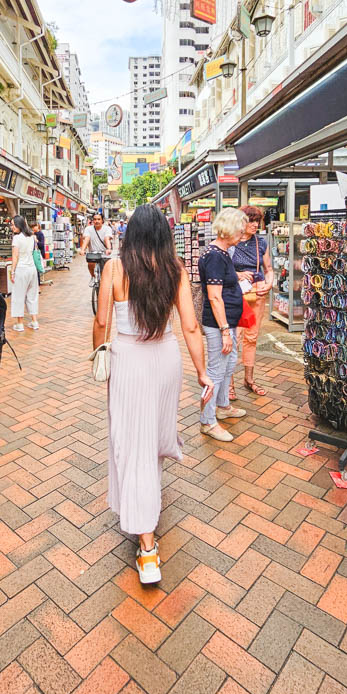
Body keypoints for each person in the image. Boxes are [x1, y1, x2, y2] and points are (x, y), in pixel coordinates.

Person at [93, 204, 214, 585]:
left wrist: (98, 356)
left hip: (128, 360)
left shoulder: (114, 268)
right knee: (150, 439)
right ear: (164, 235)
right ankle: (146, 499)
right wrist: (202, 372)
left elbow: (101, 323)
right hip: (165, 358)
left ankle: (147, 548)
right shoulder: (175, 270)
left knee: (133, 444)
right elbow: (191, 327)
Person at [198, 208, 249, 442]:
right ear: (229, 229)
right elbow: (214, 296)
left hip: (228, 321)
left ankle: (222, 406)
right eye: (240, 229)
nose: (243, 233)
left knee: (227, 366)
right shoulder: (216, 255)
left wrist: (237, 276)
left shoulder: (222, 252)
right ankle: (208, 421)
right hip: (219, 324)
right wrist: (225, 331)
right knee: (216, 372)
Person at [231, 205, 274, 397]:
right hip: (236, 292)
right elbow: (220, 268)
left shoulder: (261, 243)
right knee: (234, 338)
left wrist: (269, 283)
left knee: (252, 336)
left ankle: (249, 379)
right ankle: (228, 383)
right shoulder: (231, 241)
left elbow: (269, 268)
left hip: (256, 292)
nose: (255, 224)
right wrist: (238, 274)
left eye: (257, 220)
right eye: (251, 220)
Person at [10, 215, 39, 331]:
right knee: (32, 296)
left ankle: (20, 323)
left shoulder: (17, 238)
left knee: (18, 296)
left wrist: (12, 271)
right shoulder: (31, 237)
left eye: (13, 224)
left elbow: (15, 256)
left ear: (19, 225)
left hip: (21, 269)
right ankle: (34, 321)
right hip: (32, 269)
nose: (12, 227)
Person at [80, 212, 113, 276]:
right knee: (90, 264)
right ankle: (93, 276)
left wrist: (108, 249)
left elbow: (107, 238)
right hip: (93, 253)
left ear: (102, 220)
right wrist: (82, 250)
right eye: (95, 219)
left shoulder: (107, 229)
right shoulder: (88, 229)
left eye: (98, 219)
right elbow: (87, 239)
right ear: (92, 220)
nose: (96, 221)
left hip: (104, 253)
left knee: (106, 271)